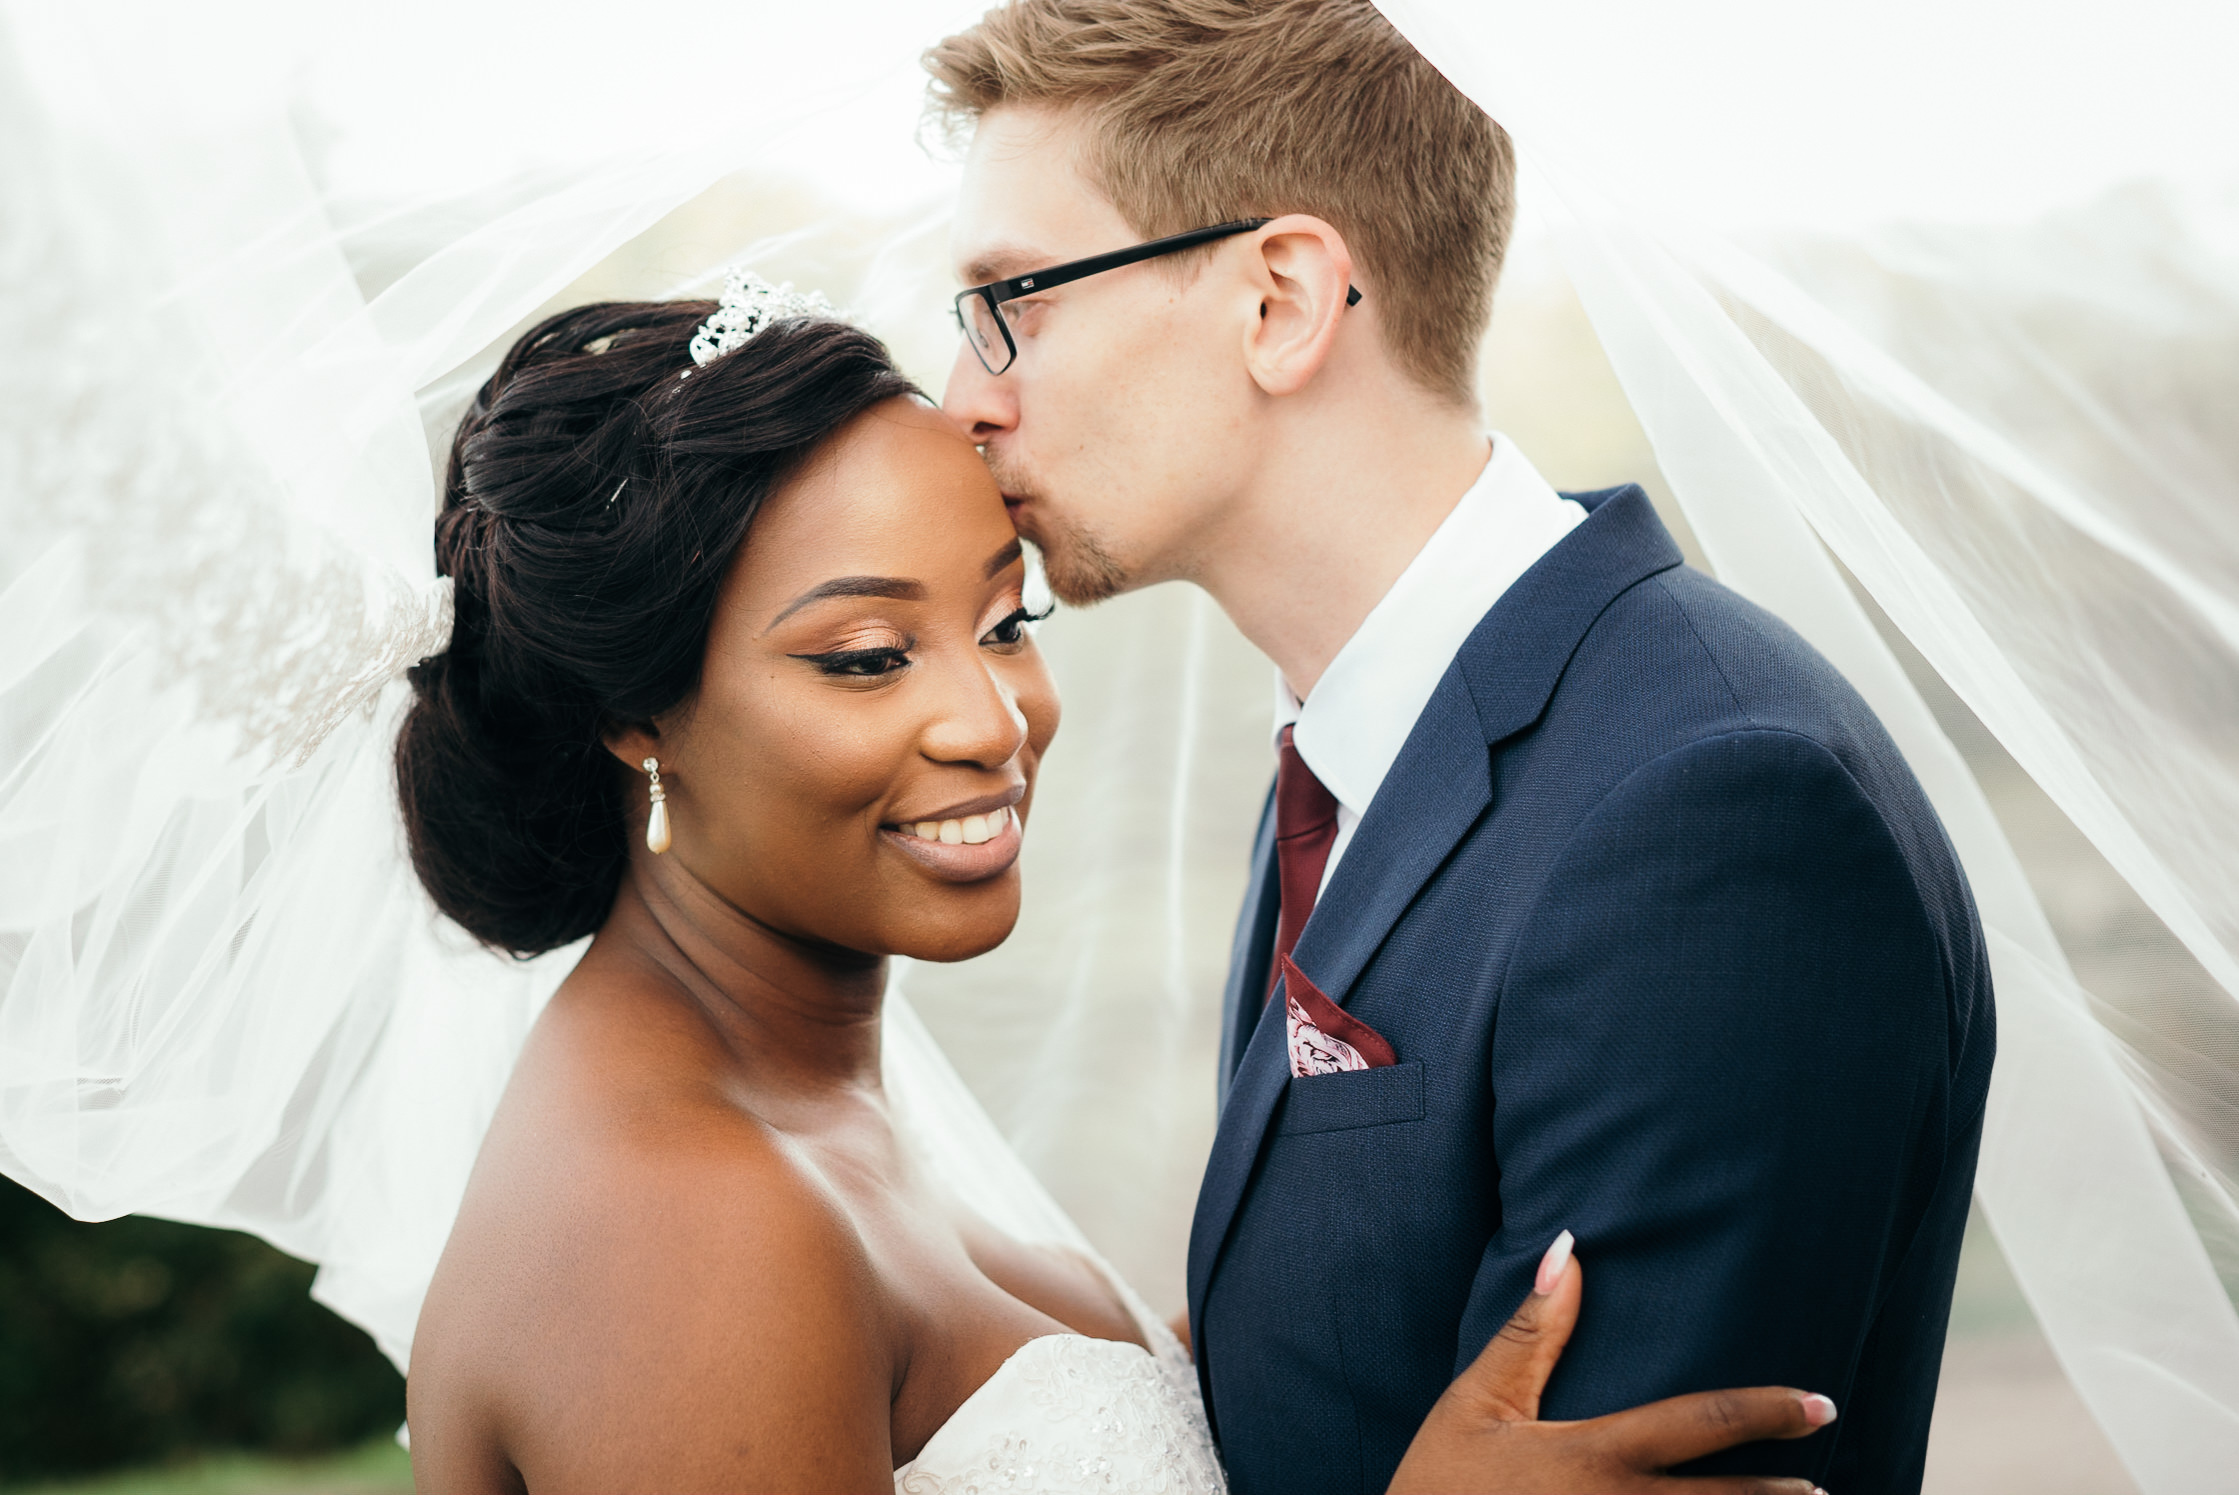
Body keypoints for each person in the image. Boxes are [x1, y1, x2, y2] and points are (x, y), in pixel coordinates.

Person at [395, 279, 1837, 1492]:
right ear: (633, 715)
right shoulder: (680, 1231)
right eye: (865, 658)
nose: (992, 721)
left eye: (1004, 624)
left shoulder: (794, 1103)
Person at [927, 3, 1995, 1493]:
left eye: (1016, 302)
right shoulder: (1355, 747)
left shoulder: (1717, 813)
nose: (968, 396)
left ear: (1282, 300)